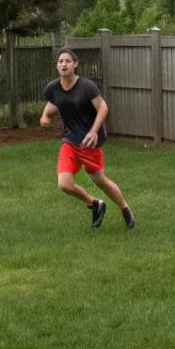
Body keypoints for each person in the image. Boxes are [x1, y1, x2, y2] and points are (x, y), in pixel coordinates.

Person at [41, 48, 135, 230]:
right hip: (70, 141)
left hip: (89, 142)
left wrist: (93, 132)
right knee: (64, 184)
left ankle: (125, 208)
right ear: (56, 65)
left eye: (68, 61)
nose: (64, 64)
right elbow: (53, 103)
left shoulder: (86, 86)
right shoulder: (52, 88)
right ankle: (95, 203)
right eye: (60, 61)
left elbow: (103, 108)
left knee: (100, 181)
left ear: (75, 64)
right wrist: (45, 116)